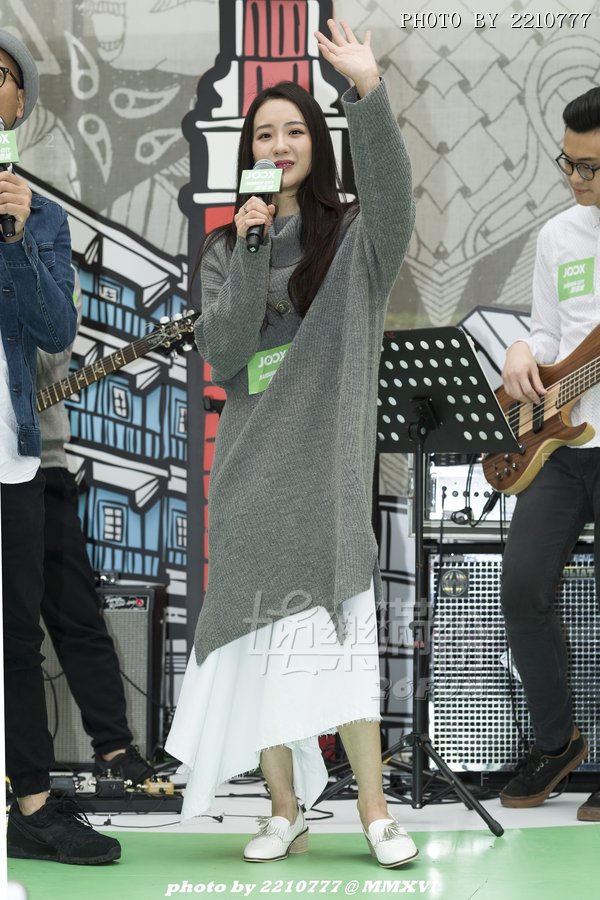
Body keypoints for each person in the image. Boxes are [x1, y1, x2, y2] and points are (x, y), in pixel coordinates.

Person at [166, 20, 417, 866]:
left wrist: (368, 92)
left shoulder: (356, 240)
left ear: (318, 143)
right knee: (257, 648)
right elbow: (225, 350)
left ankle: (376, 813)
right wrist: (246, 244)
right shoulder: (225, 248)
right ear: (248, 152)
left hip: (325, 476)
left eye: (294, 131)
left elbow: (395, 198)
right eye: (264, 134)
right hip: (248, 476)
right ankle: (283, 810)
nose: (279, 145)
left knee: (342, 653)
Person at [0, 28, 120, 864]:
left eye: (1, 75)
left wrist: (13, 240)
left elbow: (53, 330)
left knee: (15, 632)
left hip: (11, 454)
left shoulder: (37, 216)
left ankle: (33, 805)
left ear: (20, 104)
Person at [499, 85, 600, 821]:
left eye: (590, 168)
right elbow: (548, 334)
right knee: (522, 587)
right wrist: (520, 350)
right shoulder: (559, 235)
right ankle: (557, 741)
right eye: (567, 163)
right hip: (560, 446)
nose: (575, 179)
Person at [37, 275, 155, 787]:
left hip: (39, 466)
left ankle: (114, 748)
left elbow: (51, 355)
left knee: (76, 616)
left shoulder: (49, 260)